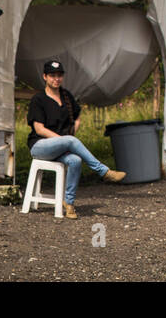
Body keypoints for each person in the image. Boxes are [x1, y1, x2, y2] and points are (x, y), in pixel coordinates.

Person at [26, 59, 125, 218]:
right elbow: (39, 129)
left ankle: (69, 203)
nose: (56, 79)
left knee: (75, 161)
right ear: (45, 77)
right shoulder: (39, 99)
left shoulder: (66, 96)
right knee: (70, 141)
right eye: (52, 75)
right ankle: (103, 171)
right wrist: (64, 140)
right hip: (40, 146)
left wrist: (69, 136)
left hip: (61, 146)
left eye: (59, 75)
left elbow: (77, 117)